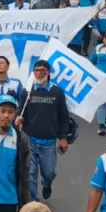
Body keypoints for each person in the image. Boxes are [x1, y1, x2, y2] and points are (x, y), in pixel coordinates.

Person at [16, 60, 70, 201]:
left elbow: (63, 117)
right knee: (30, 174)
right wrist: (18, 118)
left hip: (49, 142)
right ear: (33, 73)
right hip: (29, 140)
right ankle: (34, 202)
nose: (39, 73)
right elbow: (20, 110)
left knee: (49, 173)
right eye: (37, 70)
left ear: (48, 72)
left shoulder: (57, 92)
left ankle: (47, 184)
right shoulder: (27, 91)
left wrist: (63, 138)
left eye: (42, 70)